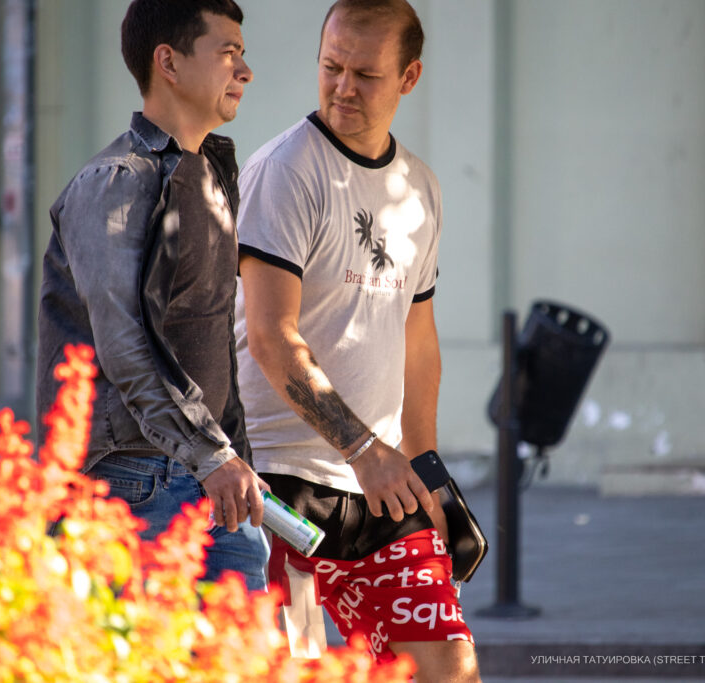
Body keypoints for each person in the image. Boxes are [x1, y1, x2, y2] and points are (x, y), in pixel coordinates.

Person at [234, 0, 481, 679]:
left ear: (410, 76)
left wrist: (423, 464)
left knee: (449, 665)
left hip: (383, 489)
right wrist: (365, 448)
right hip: (283, 491)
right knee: (308, 666)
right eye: (331, 67)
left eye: (365, 74)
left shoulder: (420, 190)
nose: (343, 86)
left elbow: (418, 337)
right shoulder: (286, 170)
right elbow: (269, 337)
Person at [36, 0, 269, 590]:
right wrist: (213, 455)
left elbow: (210, 334)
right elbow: (123, 343)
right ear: (168, 61)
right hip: (132, 480)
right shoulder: (114, 182)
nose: (244, 71)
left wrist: (232, 453)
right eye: (227, 52)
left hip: (210, 472)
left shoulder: (211, 174)